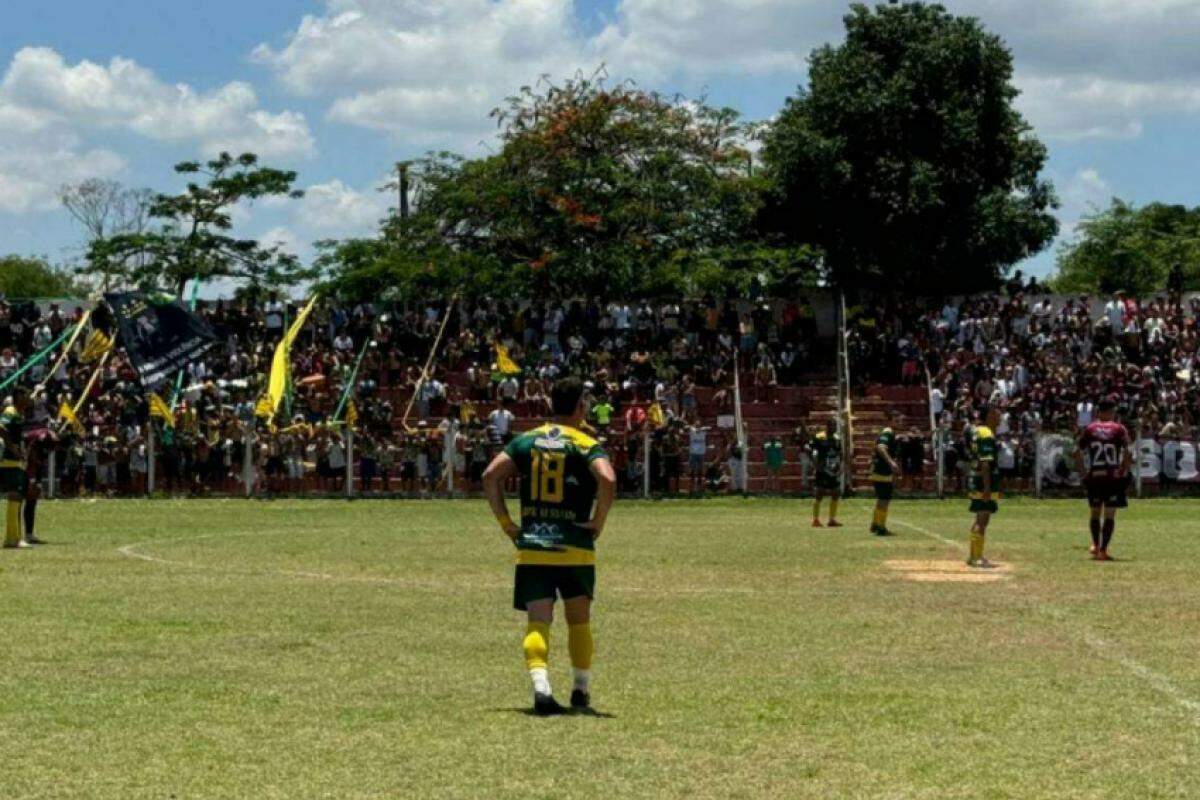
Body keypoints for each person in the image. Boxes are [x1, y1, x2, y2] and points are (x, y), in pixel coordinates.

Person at [482, 376, 617, 716]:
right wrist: (598, 521)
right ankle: (581, 690)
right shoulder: (584, 443)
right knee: (579, 622)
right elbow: (608, 479)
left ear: (550, 405)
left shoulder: (526, 441)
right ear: (580, 407)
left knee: (538, 621)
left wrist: (507, 524)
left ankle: (541, 688)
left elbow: (489, 476)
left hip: (534, 547)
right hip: (575, 546)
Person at [1074, 397, 1132, 561]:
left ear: (1098, 412)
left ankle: (1095, 544)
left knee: (1094, 512)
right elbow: (1129, 452)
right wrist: (1123, 469)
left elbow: (1076, 452)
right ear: (1111, 412)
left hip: (1095, 475)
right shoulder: (1119, 429)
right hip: (1112, 476)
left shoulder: (1090, 428)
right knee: (1109, 514)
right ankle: (1104, 551)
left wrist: (1083, 472)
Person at [966, 407, 1002, 568]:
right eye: (995, 413)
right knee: (983, 518)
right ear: (987, 416)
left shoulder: (977, 431)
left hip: (976, 476)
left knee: (980, 517)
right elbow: (986, 462)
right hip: (983, 480)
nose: (999, 416)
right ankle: (976, 557)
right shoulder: (986, 433)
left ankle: (974, 554)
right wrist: (987, 487)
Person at [1, 388, 31, 548]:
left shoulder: (19, 414)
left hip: (15, 460)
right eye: (26, 394)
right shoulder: (10, 411)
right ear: (19, 396)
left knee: (16, 497)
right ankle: (12, 538)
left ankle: (14, 537)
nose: (29, 397)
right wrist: (13, 448)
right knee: (14, 496)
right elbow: (1, 428)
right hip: (8, 460)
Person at [868, 411, 901, 536]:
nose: (899, 423)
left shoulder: (890, 433)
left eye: (900, 420)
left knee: (881, 499)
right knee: (884, 499)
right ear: (890, 421)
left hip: (880, 470)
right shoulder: (887, 432)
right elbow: (881, 447)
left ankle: (875, 524)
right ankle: (881, 527)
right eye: (896, 420)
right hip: (882, 470)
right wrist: (891, 462)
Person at [809, 419, 842, 527]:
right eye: (831, 425)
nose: (833, 427)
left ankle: (832, 519)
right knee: (820, 493)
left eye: (835, 425)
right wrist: (815, 464)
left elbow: (839, 454)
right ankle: (815, 519)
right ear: (827, 426)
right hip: (822, 469)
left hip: (833, 469)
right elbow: (812, 450)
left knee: (836, 492)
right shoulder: (819, 437)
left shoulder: (837, 438)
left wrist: (840, 467)